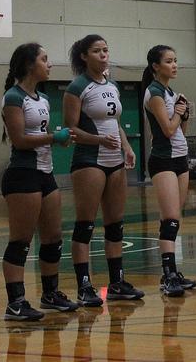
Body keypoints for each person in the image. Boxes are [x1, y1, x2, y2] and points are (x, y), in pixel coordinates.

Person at [64, 34, 144, 306]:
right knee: (86, 225)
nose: (103, 55)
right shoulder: (77, 87)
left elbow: (115, 123)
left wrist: (127, 147)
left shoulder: (113, 86)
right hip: (89, 160)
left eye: (106, 50)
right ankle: (84, 286)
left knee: (115, 224)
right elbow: (70, 130)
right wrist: (99, 140)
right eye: (97, 51)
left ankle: (117, 281)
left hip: (115, 160)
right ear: (84, 56)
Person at [1, 43, 78, 320]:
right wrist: (52, 138)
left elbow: (42, 136)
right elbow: (20, 140)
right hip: (22, 175)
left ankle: (50, 293)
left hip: (46, 173)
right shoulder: (13, 97)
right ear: (29, 64)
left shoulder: (42, 99)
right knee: (20, 240)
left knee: (53, 238)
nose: (50, 64)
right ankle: (16, 302)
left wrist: (60, 138)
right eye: (45, 59)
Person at [142, 45, 196, 297]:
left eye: (176, 60)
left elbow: (179, 132)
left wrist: (185, 115)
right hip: (163, 159)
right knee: (170, 218)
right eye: (169, 61)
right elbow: (166, 130)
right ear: (156, 66)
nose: (174, 65)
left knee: (175, 218)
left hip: (180, 157)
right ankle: (168, 276)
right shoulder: (154, 92)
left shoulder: (170, 91)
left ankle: (174, 272)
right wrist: (177, 113)